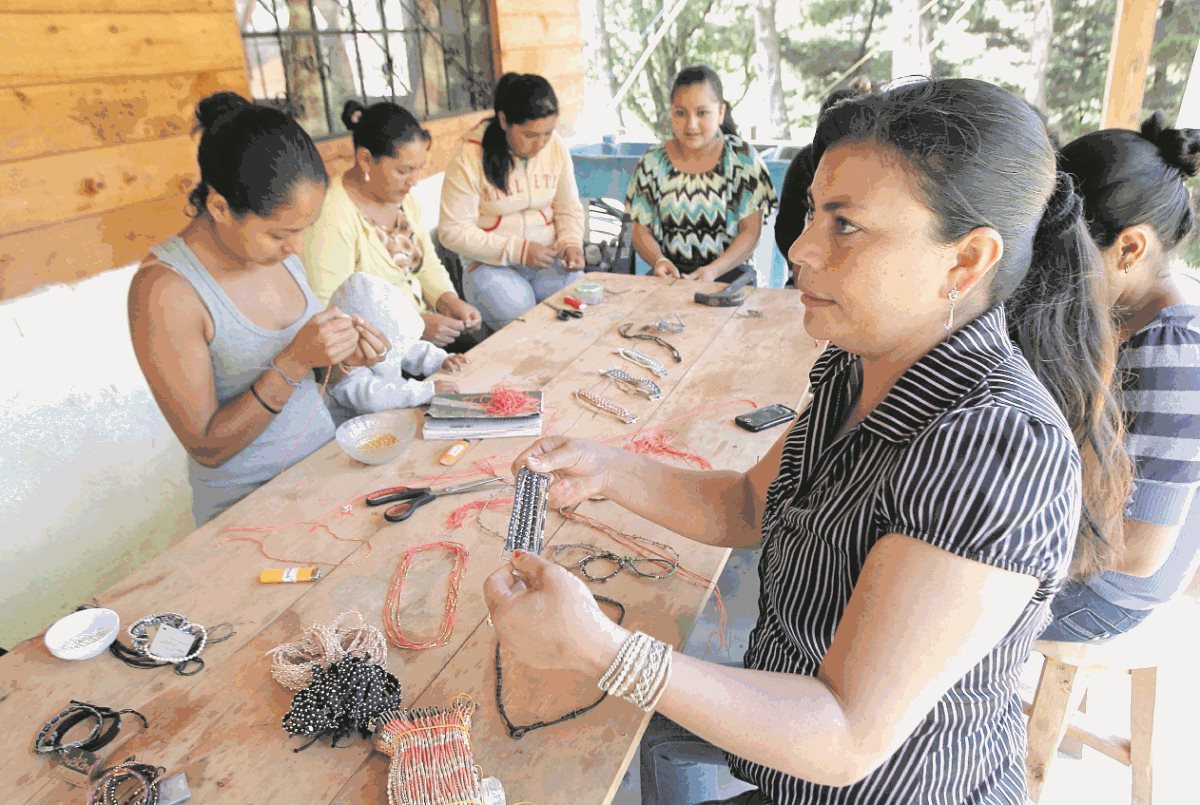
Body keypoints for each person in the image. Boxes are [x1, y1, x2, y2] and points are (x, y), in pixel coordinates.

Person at [484, 78, 1129, 804]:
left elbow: (847, 731)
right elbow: (745, 504)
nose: (800, 247)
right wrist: (605, 468)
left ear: (965, 261)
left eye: (845, 225)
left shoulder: (995, 446)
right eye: (816, 213)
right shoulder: (862, 361)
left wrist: (605, 651)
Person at [128, 92, 388, 525]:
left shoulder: (278, 249)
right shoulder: (166, 291)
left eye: (305, 230)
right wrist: (293, 360)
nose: (295, 247)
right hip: (249, 512)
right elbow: (207, 446)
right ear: (219, 207)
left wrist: (343, 357)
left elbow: (310, 376)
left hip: (327, 471)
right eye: (280, 234)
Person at [1038, 112, 1200, 642]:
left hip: (1105, 595)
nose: (1053, 275)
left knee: (913, 600)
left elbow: (1139, 552)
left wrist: (1004, 542)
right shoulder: (1125, 317)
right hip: (1080, 559)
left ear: (1130, 248)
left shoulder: (1172, 356)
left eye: (1069, 258)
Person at [303, 100, 482, 349]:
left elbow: (425, 263)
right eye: (404, 170)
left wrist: (448, 300)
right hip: (376, 356)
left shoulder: (402, 199)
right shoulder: (332, 215)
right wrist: (415, 326)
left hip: (425, 340)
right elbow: (331, 310)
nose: (414, 181)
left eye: (419, 169)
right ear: (365, 159)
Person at [438, 73, 585, 333]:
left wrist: (571, 243)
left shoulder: (555, 147)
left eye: (547, 133)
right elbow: (452, 232)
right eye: (530, 135)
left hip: (546, 261)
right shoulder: (469, 157)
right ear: (505, 120)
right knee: (521, 316)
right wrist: (518, 251)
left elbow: (568, 207)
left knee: (579, 299)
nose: (540, 144)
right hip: (489, 266)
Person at [627, 65, 777, 283]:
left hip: (730, 280)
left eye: (702, 112)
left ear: (721, 112)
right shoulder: (652, 162)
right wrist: (659, 260)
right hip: (670, 279)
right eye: (681, 113)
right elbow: (641, 231)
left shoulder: (742, 159)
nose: (691, 124)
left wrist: (713, 271)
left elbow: (750, 233)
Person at [326, 273, 468, 423]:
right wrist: (426, 392)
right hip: (363, 430)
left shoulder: (388, 339)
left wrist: (440, 359)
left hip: (395, 416)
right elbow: (372, 398)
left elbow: (407, 348)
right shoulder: (343, 369)